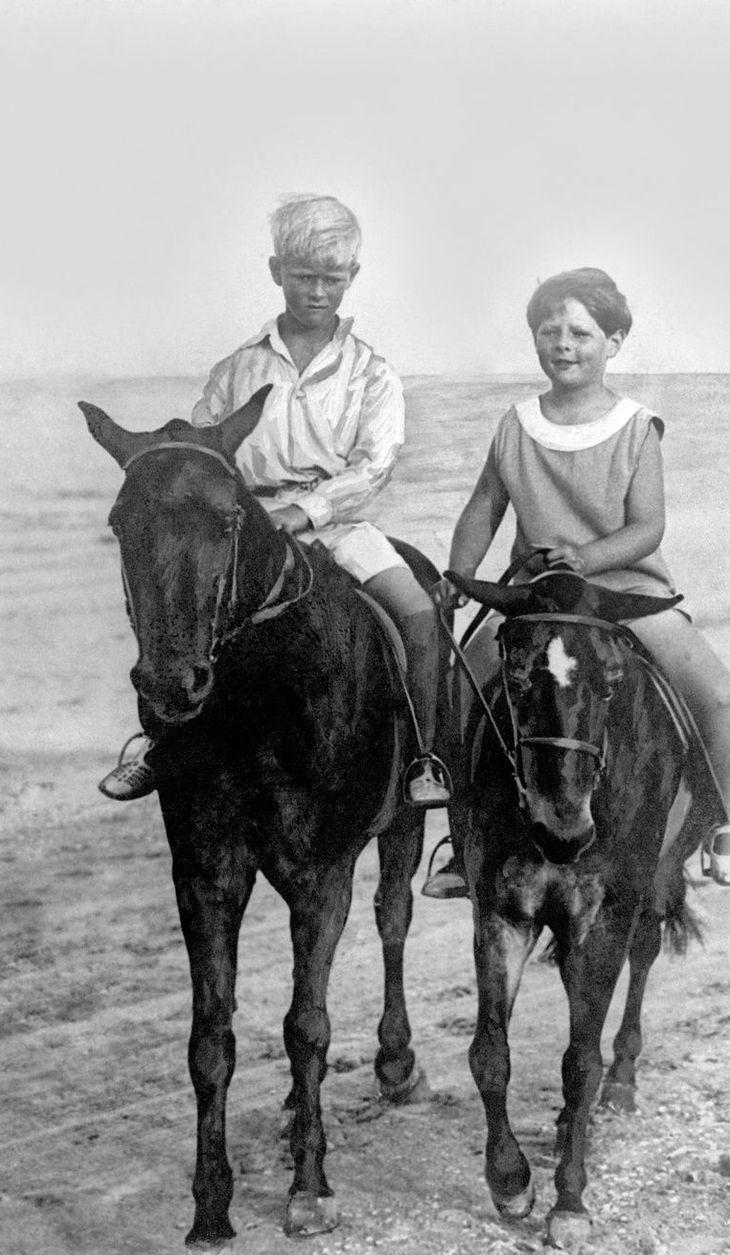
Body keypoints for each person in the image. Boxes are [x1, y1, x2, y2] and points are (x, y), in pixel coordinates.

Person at [99, 193, 451, 809]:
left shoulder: (372, 374)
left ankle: (424, 757)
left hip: (340, 528)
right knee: (177, 604)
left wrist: (306, 510)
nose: (316, 291)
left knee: (419, 616)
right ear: (276, 272)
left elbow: (374, 467)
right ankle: (161, 744)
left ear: (352, 278)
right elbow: (205, 456)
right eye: (302, 276)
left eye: (331, 279)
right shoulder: (236, 369)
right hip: (244, 529)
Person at [428, 266, 730, 889]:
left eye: (580, 332)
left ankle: (727, 824)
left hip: (625, 590)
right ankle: (461, 834)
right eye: (549, 331)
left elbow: (647, 529)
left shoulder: (636, 426)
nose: (563, 344)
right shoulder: (516, 424)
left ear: (615, 341)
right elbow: (483, 509)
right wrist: (459, 574)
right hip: (536, 593)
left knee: (716, 695)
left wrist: (587, 557)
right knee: (462, 684)